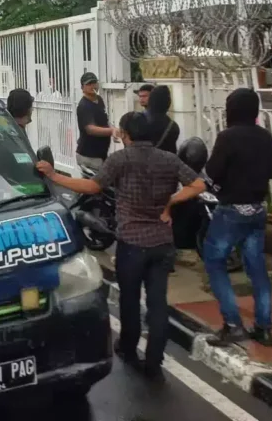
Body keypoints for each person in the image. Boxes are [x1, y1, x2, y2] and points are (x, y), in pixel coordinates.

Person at [37, 112, 200, 380]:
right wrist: (170, 202)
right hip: (162, 243)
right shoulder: (168, 159)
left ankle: (127, 347)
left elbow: (91, 186)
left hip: (132, 244)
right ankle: (154, 358)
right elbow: (197, 184)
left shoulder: (121, 159)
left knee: (130, 299)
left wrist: (55, 175)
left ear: (126, 134)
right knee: (158, 303)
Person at [167, 88, 272, 347]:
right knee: (257, 269)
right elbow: (271, 172)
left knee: (215, 262)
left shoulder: (228, 137)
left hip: (231, 211)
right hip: (258, 210)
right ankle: (263, 328)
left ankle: (232, 324)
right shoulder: (265, 137)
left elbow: (212, 173)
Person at [76, 72, 116, 173]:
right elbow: (90, 129)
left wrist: (112, 129)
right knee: (94, 187)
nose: (92, 86)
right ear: (82, 87)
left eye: (94, 83)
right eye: (89, 84)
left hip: (100, 155)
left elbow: (103, 121)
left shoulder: (99, 100)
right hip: (89, 156)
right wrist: (111, 131)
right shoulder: (84, 106)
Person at [143, 85, 180, 154]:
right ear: (168, 102)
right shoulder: (173, 126)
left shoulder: (140, 121)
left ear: (151, 101)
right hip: (167, 162)